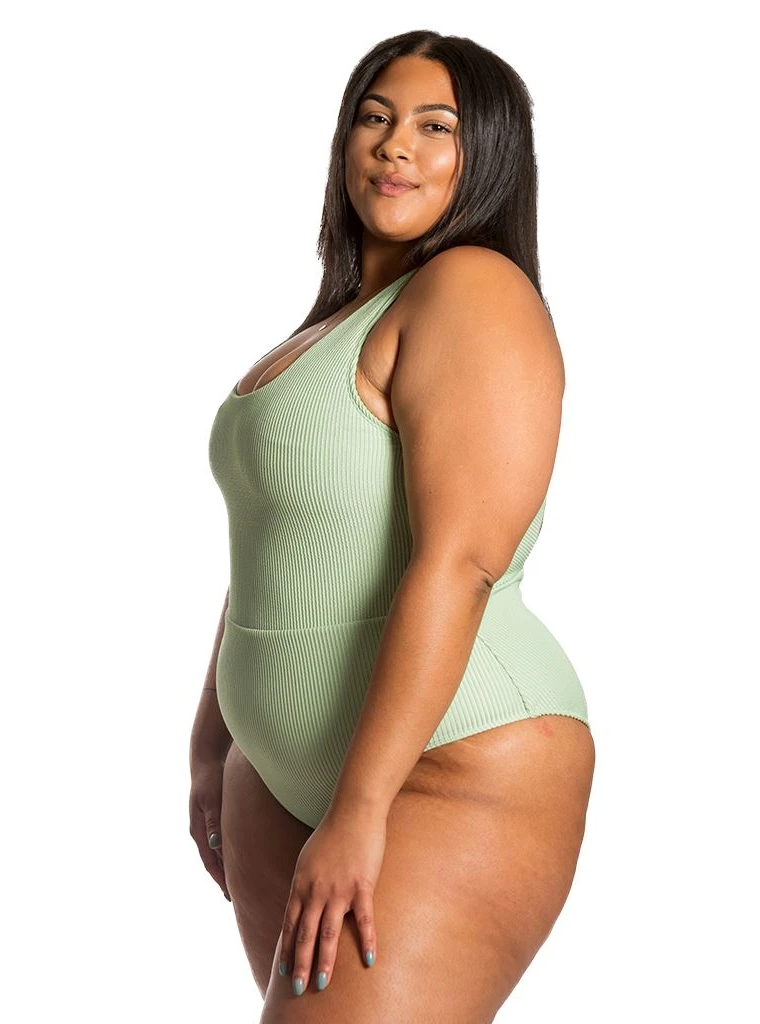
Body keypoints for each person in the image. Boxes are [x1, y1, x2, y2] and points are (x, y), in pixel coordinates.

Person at [189, 29, 595, 1024]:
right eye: (375, 117)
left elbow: (459, 564)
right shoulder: (331, 326)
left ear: (485, 155)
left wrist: (362, 806)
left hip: (447, 767)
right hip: (278, 784)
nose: (394, 144)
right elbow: (272, 550)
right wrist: (213, 743)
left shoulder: (473, 289)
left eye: (434, 126)